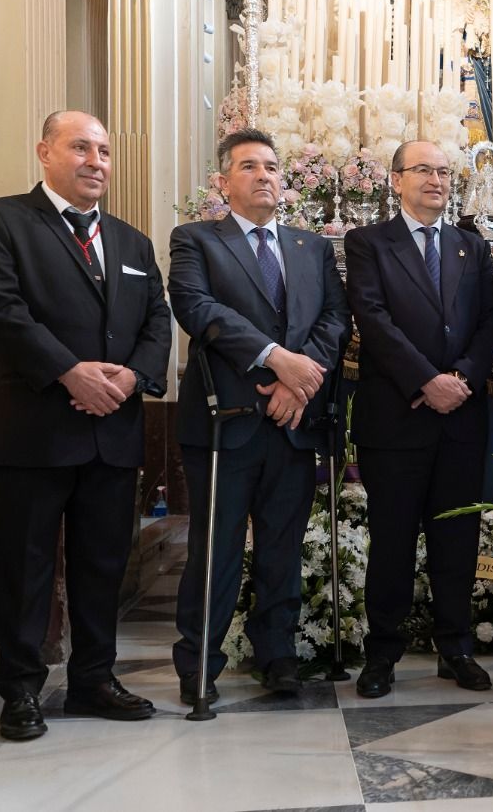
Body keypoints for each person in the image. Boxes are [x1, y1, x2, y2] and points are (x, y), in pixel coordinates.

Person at [0, 110, 172, 741]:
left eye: (104, 151)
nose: (96, 162)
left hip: (112, 431)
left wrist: (133, 379)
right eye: (80, 147)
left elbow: (157, 321)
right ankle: (21, 690)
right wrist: (70, 373)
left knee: (104, 564)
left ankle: (94, 679)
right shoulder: (0, 220)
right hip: (32, 427)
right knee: (23, 566)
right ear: (44, 152)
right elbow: (0, 309)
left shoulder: (133, 242)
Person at [168, 128, 350, 705]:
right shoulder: (196, 239)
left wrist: (302, 382)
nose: (264, 175)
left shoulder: (312, 247)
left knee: (282, 549)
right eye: (249, 166)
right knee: (215, 552)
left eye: (272, 166)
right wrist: (277, 359)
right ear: (223, 182)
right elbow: (198, 309)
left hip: (295, 425)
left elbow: (333, 320)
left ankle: (279, 656)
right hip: (226, 426)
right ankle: (200, 665)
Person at [344, 140, 493, 697]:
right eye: (423, 170)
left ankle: (455, 647)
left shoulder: (471, 246)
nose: (436, 179)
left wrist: (459, 380)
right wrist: (424, 380)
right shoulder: (368, 243)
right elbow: (373, 318)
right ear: (396, 179)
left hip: (461, 417)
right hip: (397, 418)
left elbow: (489, 322)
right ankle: (382, 653)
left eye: (443, 170)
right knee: (391, 540)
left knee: (457, 538)